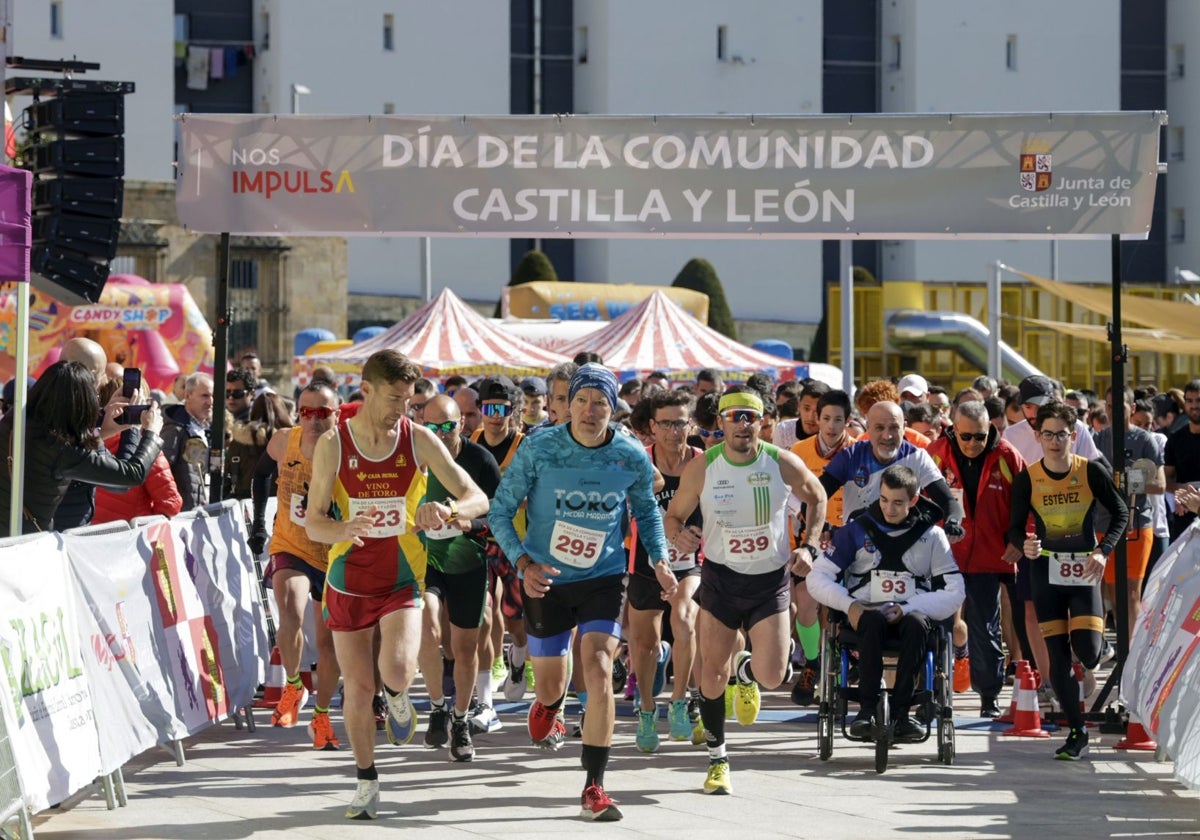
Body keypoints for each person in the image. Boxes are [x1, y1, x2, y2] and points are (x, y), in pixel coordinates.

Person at [305, 349, 489, 820]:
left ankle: (399, 692)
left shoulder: (419, 439)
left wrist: (446, 510)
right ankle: (366, 779)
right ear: (365, 391)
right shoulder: (334, 445)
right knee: (358, 686)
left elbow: (477, 496)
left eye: (408, 401)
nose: (400, 411)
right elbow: (314, 523)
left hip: (403, 576)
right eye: (393, 399)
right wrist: (341, 530)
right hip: (347, 580)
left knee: (400, 668)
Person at [488, 363, 675, 822]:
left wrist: (660, 560)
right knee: (552, 684)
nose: (590, 411)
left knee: (598, 668)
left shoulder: (630, 454)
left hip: (603, 578)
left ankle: (595, 787)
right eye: (582, 401)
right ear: (565, 404)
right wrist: (524, 565)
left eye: (601, 403)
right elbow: (499, 513)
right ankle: (548, 704)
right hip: (545, 580)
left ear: (613, 409)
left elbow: (647, 513)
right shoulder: (539, 448)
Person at [664, 390, 827, 796]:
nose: (743, 424)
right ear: (721, 422)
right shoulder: (703, 467)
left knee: (773, 676)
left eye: (750, 417)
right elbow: (672, 515)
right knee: (710, 675)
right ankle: (718, 759)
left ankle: (747, 671)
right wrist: (679, 536)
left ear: (763, 422)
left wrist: (810, 545)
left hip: (769, 580)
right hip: (721, 578)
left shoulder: (781, 462)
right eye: (735, 417)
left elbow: (818, 496)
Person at [1007, 401, 1129, 760]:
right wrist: (1023, 543)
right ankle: (1076, 732)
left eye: (1062, 434)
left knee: (1089, 652)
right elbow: (1013, 528)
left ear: (1073, 436)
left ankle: (1098, 650)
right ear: (1038, 436)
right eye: (1048, 434)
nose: (1055, 441)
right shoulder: (1028, 478)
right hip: (1046, 572)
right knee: (1057, 661)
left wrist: (1102, 551)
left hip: (1085, 570)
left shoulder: (1089, 471)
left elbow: (1121, 511)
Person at [808, 464, 965, 741]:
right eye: (883, 500)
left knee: (917, 626)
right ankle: (866, 712)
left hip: (912, 613)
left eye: (898, 502)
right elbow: (817, 578)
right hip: (865, 613)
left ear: (914, 500)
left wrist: (907, 608)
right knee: (871, 620)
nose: (889, 509)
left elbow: (955, 591)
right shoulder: (855, 530)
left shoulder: (932, 536)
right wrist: (849, 605)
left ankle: (903, 715)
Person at [251, 382, 343, 749]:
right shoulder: (283, 440)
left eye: (323, 412)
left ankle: (321, 714)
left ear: (337, 413)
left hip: (334, 551)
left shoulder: (348, 449)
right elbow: (259, 475)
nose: (314, 419)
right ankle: (293, 686)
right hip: (291, 544)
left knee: (327, 641)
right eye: (307, 411)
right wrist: (260, 522)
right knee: (288, 608)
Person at [416, 395, 502, 762]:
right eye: (431, 427)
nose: (439, 435)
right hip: (426, 559)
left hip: (468, 560)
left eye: (447, 427)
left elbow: (500, 514)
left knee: (465, 647)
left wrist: (470, 523)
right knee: (427, 624)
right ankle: (437, 706)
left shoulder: (480, 459)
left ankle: (461, 718)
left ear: (462, 425)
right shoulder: (415, 457)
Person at [926, 401, 1025, 717]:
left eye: (979, 437)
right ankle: (931, 693)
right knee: (935, 627)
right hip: (943, 556)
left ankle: (989, 696)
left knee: (985, 629)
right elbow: (916, 501)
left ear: (990, 431)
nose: (972, 444)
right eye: (965, 436)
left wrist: (1017, 540)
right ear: (954, 429)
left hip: (988, 557)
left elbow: (1026, 503)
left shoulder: (1007, 455)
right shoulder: (936, 453)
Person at [0, 361, 164, 534]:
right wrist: (150, 432)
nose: (96, 401)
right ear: (80, 402)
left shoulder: (15, 419)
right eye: (95, 396)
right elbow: (131, 475)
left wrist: (102, 429)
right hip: (28, 543)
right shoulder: (63, 448)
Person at [627, 388, 703, 752]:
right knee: (645, 643)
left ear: (691, 423)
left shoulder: (703, 462)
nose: (675, 431)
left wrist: (695, 537)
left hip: (692, 564)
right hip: (645, 563)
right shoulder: (639, 461)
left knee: (685, 620)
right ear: (652, 428)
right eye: (666, 424)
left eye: (681, 423)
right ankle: (645, 708)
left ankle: (678, 701)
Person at [788, 388, 855, 706]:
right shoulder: (798, 451)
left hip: (849, 542)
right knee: (805, 603)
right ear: (816, 417)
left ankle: (844, 664)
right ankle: (813, 663)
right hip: (809, 541)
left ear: (848, 421)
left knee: (840, 609)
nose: (830, 425)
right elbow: (789, 501)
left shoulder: (857, 452)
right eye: (825, 417)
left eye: (837, 420)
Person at [1096, 386, 1164, 644]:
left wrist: (1125, 481)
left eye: (1119, 406)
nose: (1113, 411)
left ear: (1132, 408)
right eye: (1109, 406)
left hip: (1137, 524)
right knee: (1112, 593)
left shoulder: (1145, 440)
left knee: (1132, 592)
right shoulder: (1098, 438)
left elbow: (1159, 485)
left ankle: (1132, 649)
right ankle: (1116, 649)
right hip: (1104, 522)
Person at [820, 401, 956, 525]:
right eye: (879, 428)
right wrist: (823, 527)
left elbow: (947, 501)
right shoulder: (850, 456)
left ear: (904, 428)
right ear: (868, 428)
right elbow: (815, 497)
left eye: (894, 428)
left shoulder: (917, 457)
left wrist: (953, 521)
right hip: (858, 545)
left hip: (904, 544)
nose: (887, 436)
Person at [92, 376, 183, 524]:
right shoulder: (148, 448)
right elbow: (171, 504)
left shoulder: (89, 441)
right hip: (130, 539)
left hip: (86, 539)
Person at [160, 373, 214, 511]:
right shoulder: (174, 428)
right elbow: (162, 472)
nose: (210, 401)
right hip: (183, 515)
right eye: (205, 396)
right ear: (188, 395)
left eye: (212, 396)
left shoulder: (208, 429)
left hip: (203, 512)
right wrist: (173, 504)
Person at [226, 391, 293, 500]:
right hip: (277, 502)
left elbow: (227, 478)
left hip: (242, 503)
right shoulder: (287, 441)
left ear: (253, 412)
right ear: (282, 413)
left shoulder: (238, 440)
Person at [1164, 379, 1200, 540]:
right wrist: (1182, 491)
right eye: (1190, 401)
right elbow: (1167, 479)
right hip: (1183, 516)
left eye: (1199, 400)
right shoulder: (1175, 439)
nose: (1194, 406)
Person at [543, 362, 578, 428]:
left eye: (573, 398)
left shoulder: (600, 436)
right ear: (550, 402)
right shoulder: (536, 437)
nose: (568, 407)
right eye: (561, 399)